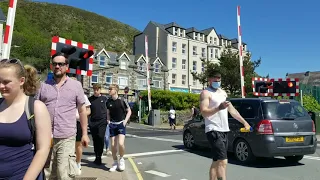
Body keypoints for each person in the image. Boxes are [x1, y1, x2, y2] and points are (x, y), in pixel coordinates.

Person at [35, 52, 90, 180]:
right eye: (55, 64)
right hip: (46, 137)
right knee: (48, 174)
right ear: (51, 66)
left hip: (67, 136)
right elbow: (36, 109)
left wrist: (84, 134)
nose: (57, 66)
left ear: (66, 67)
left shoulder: (76, 86)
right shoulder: (43, 86)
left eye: (60, 64)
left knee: (63, 174)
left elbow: (82, 111)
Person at [0, 59, 52, 179]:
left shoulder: (36, 107)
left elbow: (43, 150)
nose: (1, 86)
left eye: (6, 82)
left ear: (21, 81)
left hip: (21, 175)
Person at [199, 70, 250, 180]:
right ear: (209, 79)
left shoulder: (223, 93)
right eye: (215, 79)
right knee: (223, 160)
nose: (217, 81)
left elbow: (232, 111)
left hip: (224, 130)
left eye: (219, 79)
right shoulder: (206, 93)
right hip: (213, 129)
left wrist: (245, 122)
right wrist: (218, 108)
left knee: (216, 160)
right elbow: (204, 112)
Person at [107, 84, 131, 172]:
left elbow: (129, 111)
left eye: (110, 89)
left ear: (115, 90)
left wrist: (125, 121)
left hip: (121, 123)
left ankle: (121, 159)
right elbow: (108, 113)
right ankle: (114, 163)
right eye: (109, 89)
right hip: (112, 124)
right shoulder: (108, 101)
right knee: (113, 145)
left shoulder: (122, 100)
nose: (109, 90)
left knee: (121, 143)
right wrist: (108, 121)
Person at [70, 77, 91, 175]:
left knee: (78, 145)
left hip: (78, 122)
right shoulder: (66, 94)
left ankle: (78, 163)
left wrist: (79, 115)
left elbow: (88, 111)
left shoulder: (83, 96)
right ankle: (69, 164)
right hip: (67, 123)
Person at [88, 83, 109, 165]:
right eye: (94, 90)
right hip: (93, 122)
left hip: (102, 122)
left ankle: (99, 156)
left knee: (101, 137)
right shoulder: (90, 99)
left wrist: (108, 119)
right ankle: (97, 156)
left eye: (97, 89)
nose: (96, 91)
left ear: (100, 90)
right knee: (95, 139)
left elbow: (108, 110)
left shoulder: (104, 99)